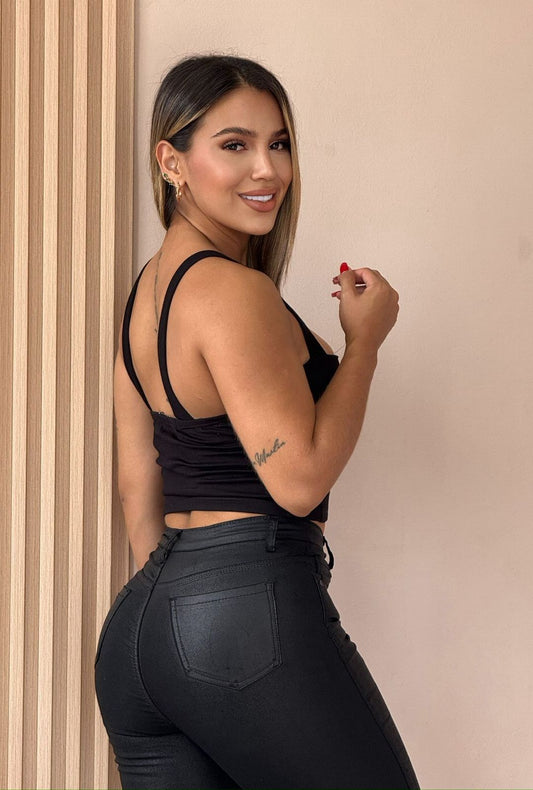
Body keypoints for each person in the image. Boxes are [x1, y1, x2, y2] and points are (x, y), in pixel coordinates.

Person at [95, 54, 420, 790]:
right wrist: (364, 346)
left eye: (279, 144)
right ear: (171, 162)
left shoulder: (146, 297)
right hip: (243, 611)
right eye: (234, 145)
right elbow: (298, 482)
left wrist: (178, 620)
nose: (266, 169)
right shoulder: (233, 292)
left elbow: (138, 485)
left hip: (141, 634)